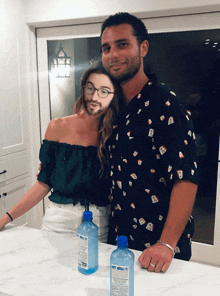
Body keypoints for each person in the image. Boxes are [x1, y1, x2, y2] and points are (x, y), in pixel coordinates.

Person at [100, 12, 198, 272]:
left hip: (159, 248)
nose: (113, 54)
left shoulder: (166, 105)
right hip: (119, 241)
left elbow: (185, 178)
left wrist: (166, 244)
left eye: (122, 44)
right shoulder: (114, 108)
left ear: (143, 48)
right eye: (106, 48)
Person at [0, 62, 124, 243]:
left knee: (93, 270)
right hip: (58, 220)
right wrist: (6, 218)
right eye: (91, 88)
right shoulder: (58, 126)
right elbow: (44, 182)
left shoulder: (117, 132)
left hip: (99, 222)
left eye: (104, 90)